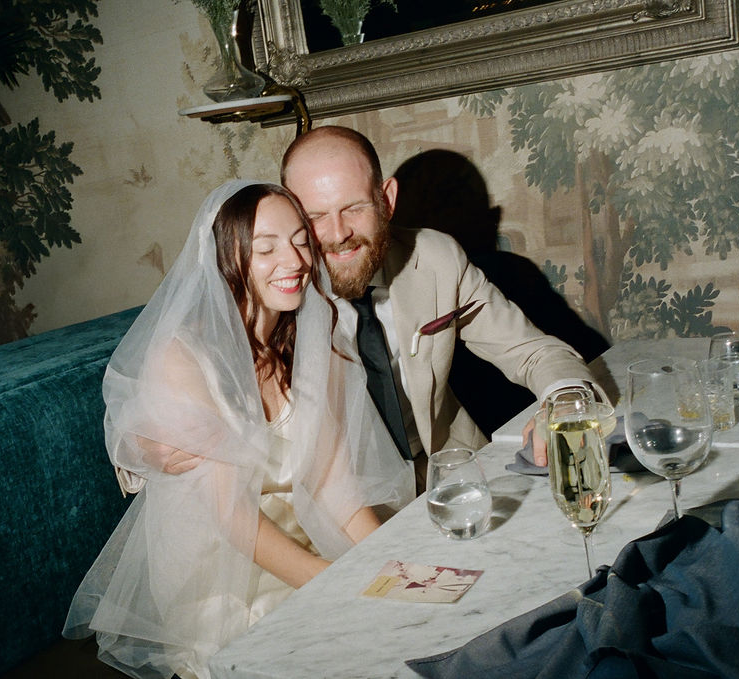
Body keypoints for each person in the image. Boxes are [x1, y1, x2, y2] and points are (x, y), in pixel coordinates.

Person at [63, 181, 414, 679]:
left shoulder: (314, 341)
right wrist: (336, 583)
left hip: (305, 540)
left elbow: (337, 489)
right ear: (226, 260)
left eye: (298, 241)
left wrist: (389, 565)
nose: (292, 261)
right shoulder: (184, 359)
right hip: (225, 575)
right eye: (265, 249)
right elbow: (231, 518)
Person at [280, 126, 601, 479]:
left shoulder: (436, 258)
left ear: (386, 200)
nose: (339, 233)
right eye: (315, 217)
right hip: (338, 495)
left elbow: (532, 352)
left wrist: (567, 401)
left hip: (447, 472)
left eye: (354, 208)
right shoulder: (272, 291)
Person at [390, 149, 610, 437]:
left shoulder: (503, 272)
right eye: (433, 209)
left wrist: (566, 395)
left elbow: (549, 352)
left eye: (453, 205)